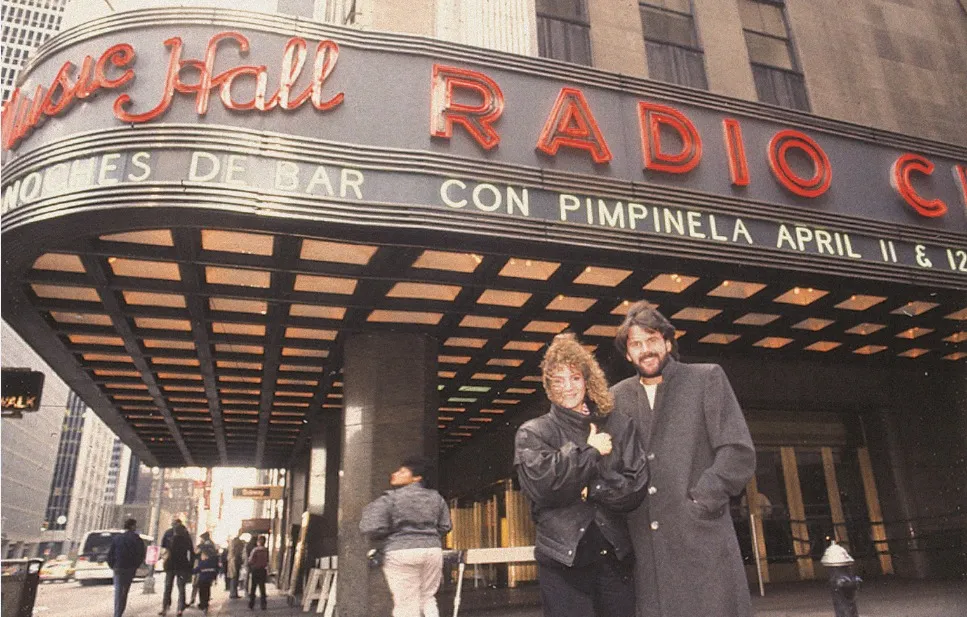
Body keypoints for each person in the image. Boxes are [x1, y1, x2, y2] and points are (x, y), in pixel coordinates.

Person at [612, 302, 755, 617]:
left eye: (652, 340)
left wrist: (702, 501)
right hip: (647, 552)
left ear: (667, 342)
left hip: (700, 537)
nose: (645, 350)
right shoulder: (616, 397)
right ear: (627, 354)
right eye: (636, 344)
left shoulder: (706, 379)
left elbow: (737, 451)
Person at [514, 332, 647, 617]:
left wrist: (592, 488)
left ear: (587, 380)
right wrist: (591, 452)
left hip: (615, 558)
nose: (568, 387)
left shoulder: (619, 425)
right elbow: (545, 488)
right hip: (563, 562)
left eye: (574, 377)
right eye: (558, 380)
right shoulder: (533, 432)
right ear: (548, 385)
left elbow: (636, 486)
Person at [359, 457, 452, 617]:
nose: (395, 474)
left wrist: (391, 534)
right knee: (428, 598)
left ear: (417, 477)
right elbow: (446, 526)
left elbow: (370, 526)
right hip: (431, 550)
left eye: (402, 471)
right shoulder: (437, 498)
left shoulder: (390, 499)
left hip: (400, 552)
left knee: (405, 603)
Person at [107, 518, 147, 617]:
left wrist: (113, 566)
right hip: (129, 569)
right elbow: (141, 554)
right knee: (124, 592)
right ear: (133, 526)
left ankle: (117, 613)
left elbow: (110, 554)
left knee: (118, 591)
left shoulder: (117, 538)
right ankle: (119, 613)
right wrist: (135, 566)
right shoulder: (137, 539)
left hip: (118, 568)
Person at [160, 521, 195, 616]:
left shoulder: (171, 536)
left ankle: (165, 607)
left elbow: (164, 549)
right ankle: (179, 609)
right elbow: (191, 552)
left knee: (168, 587)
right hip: (182, 566)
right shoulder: (186, 536)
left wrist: (164, 561)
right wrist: (190, 566)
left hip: (171, 566)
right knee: (180, 588)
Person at [189, 532, 217, 607]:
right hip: (209, 568)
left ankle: (195, 599)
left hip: (201, 566)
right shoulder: (212, 545)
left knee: (197, 584)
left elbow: (195, 552)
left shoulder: (203, 546)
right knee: (207, 586)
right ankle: (205, 601)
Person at [193, 547, 220, 615]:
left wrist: (190, 571)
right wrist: (214, 579)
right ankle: (206, 603)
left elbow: (196, 570)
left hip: (201, 581)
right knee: (207, 592)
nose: (201, 557)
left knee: (202, 593)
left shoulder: (202, 563)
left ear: (205, 556)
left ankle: (202, 604)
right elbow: (215, 571)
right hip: (208, 581)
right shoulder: (212, 564)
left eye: (202, 555)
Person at [246, 535, 269, 610]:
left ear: (258, 541)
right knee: (262, 587)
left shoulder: (255, 550)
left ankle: (251, 604)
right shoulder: (266, 550)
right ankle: (263, 604)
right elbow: (267, 560)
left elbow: (250, 560)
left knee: (253, 587)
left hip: (255, 570)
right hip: (263, 570)